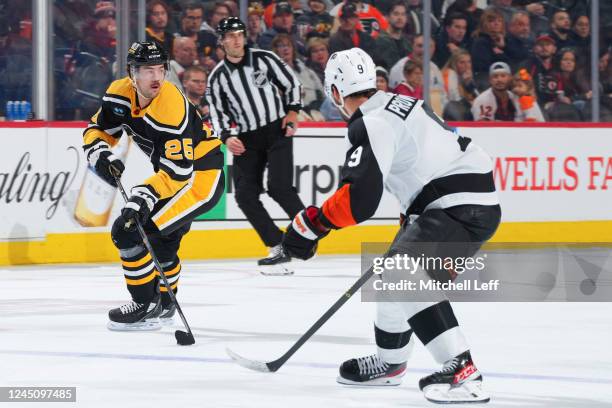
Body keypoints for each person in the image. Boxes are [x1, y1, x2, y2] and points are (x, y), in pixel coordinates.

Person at [281, 47, 500, 404]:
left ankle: (461, 371)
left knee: (400, 273)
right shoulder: (397, 103)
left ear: (335, 91)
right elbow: (422, 164)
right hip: (463, 202)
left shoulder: (371, 121)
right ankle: (390, 363)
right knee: (392, 275)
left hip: (457, 206)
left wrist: (313, 224)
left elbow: (359, 200)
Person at [82, 41, 224, 330]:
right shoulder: (119, 94)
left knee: (129, 230)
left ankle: (144, 303)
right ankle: (165, 304)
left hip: (199, 178)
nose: (157, 77)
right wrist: (101, 153)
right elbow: (98, 129)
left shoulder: (172, 106)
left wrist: (143, 195)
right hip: (174, 176)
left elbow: (180, 172)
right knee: (162, 244)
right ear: (131, 73)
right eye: (148, 70)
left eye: (161, 69)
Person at [207, 18, 305, 274]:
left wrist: (293, 111)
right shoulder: (217, 77)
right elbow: (216, 114)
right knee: (244, 195)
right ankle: (278, 245)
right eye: (230, 35)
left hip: (276, 129)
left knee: (279, 186)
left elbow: (292, 83)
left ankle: (309, 230)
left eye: (239, 34)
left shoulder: (264, 59)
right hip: (247, 138)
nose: (236, 39)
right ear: (222, 40)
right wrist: (226, 136)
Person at [272, 34, 325, 118]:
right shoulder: (274, 72)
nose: (286, 48)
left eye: (288, 45)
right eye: (281, 46)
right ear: (275, 50)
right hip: (293, 110)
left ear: (293, 49)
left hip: (316, 109)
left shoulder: (308, 70)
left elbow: (322, 92)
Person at [374, 0, 412, 70]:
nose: (400, 18)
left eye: (403, 14)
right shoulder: (379, 41)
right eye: (396, 14)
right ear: (387, 17)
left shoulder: (408, 43)